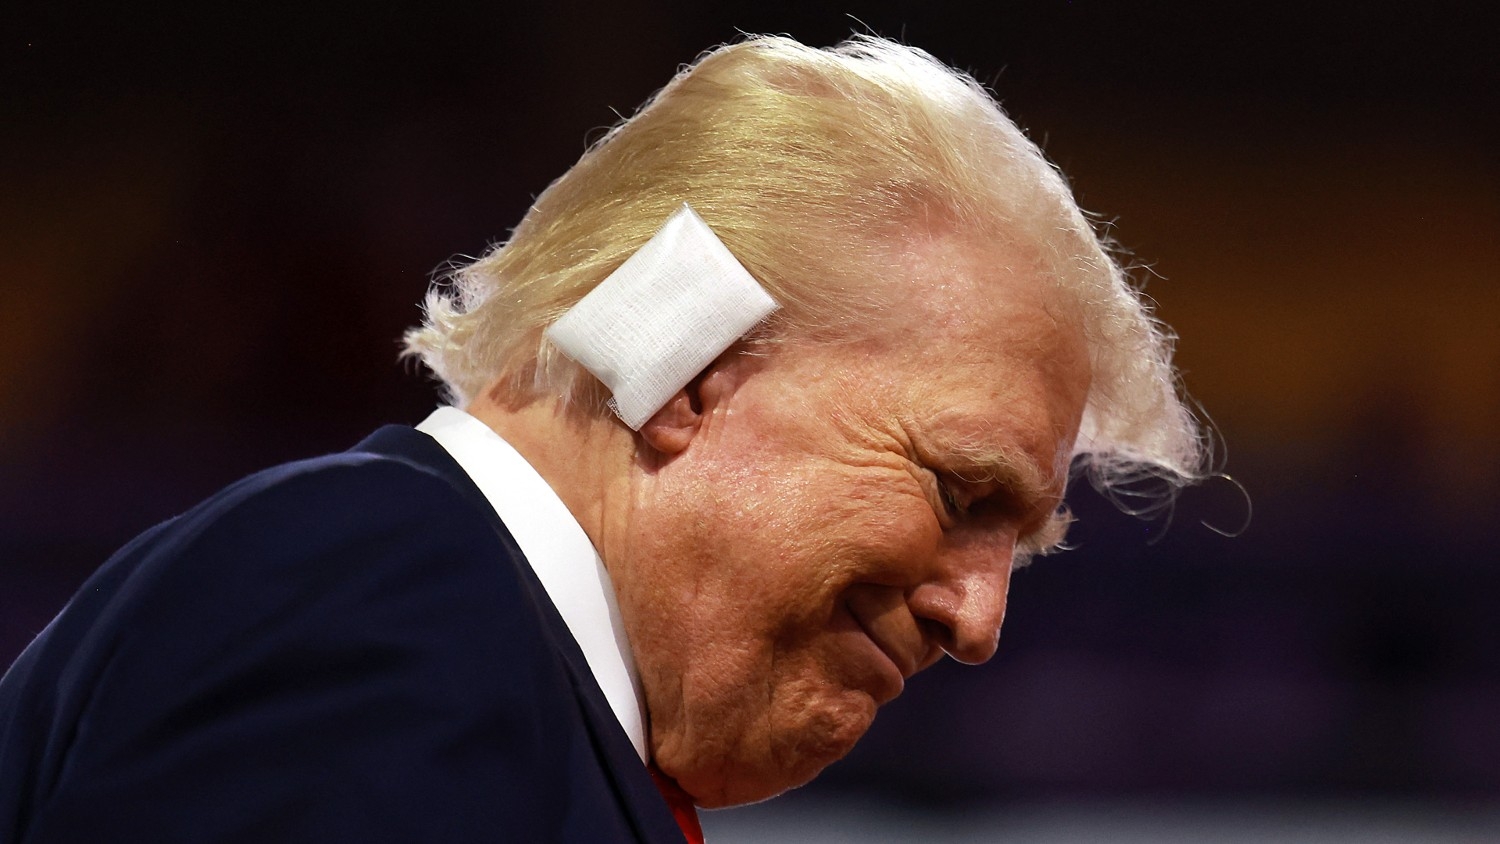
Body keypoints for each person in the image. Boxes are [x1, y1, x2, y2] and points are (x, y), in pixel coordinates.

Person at [0, 35, 1202, 843]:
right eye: (958, 493)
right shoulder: (392, 613)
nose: (980, 621)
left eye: (1018, 547)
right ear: (687, 376)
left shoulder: (477, 659)